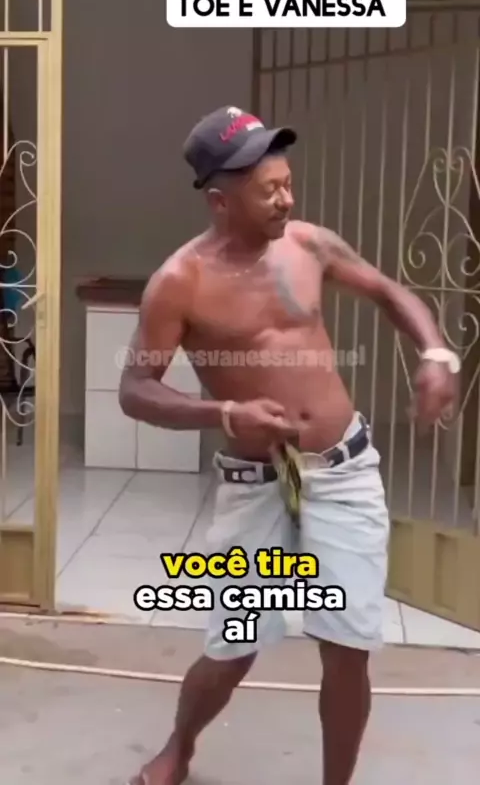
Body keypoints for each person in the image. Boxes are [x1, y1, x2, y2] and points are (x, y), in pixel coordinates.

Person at [119, 105, 459, 785]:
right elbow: (135, 388)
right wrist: (224, 412)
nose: (287, 200)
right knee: (235, 642)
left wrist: (436, 352)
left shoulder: (309, 245)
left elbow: (390, 291)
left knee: (347, 646)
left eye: (287, 184)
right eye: (268, 190)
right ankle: (180, 747)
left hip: (342, 471)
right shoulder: (179, 282)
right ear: (220, 201)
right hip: (257, 482)